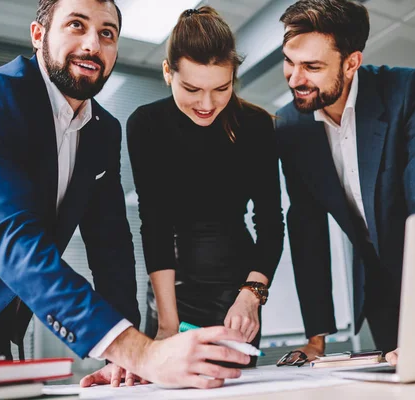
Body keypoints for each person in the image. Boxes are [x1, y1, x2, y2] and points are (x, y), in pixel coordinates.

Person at [0, 0, 250, 389]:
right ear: (38, 35)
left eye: (107, 33)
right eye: (76, 25)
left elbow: (112, 247)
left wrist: (123, 354)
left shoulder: (103, 130)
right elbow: (13, 240)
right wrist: (140, 351)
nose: (93, 44)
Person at [275, 0, 415, 366]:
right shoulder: (291, 126)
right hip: (376, 285)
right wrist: (316, 339)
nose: (295, 79)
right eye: (289, 61)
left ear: (351, 63)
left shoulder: (407, 92)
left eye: (312, 66)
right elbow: (307, 229)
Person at [125, 6, 284, 367]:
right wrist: (166, 325)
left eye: (221, 88)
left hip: (238, 291)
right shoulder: (147, 124)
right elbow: (156, 226)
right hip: (171, 291)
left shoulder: (256, 125)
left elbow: (271, 223)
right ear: (168, 73)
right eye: (192, 89)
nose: (207, 104)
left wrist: (251, 295)